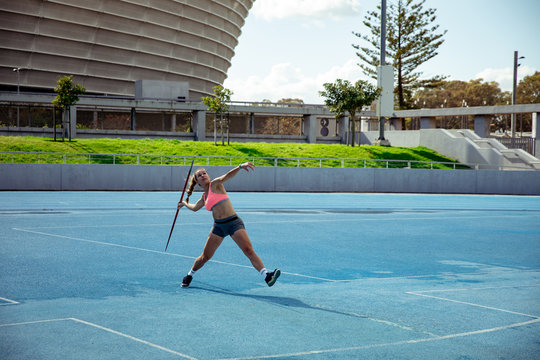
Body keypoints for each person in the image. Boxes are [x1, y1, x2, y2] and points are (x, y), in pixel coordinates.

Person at [177, 162, 280, 288]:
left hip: (233, 223)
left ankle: (267, 276)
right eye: (199, 175)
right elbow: (194, 208)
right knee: (205, 257)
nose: (203, 175)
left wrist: (240, 167)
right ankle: (189, 275)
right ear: (197, 182)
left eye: (204, 173)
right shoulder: (204, 197)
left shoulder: (215, 184)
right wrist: (184, 204)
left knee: (248, 250)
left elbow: (226, 176)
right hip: (218, 227)